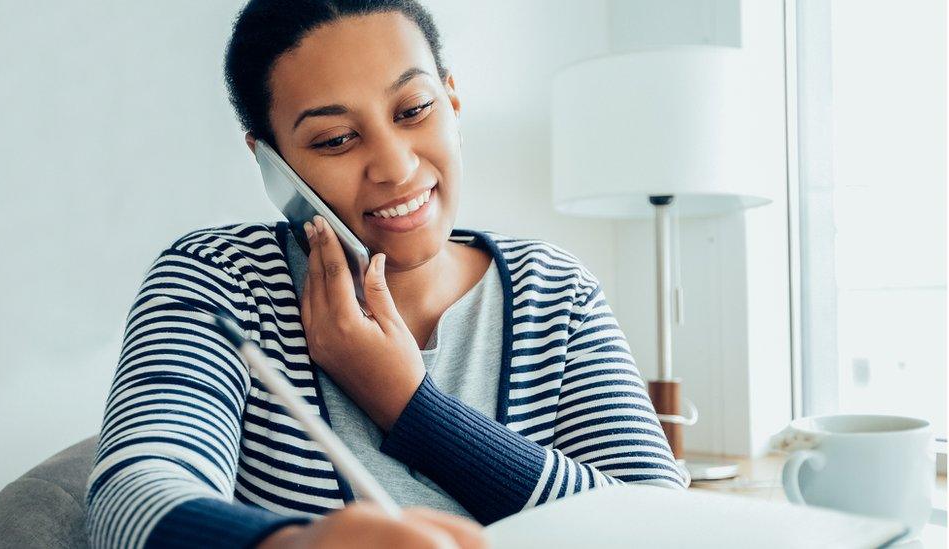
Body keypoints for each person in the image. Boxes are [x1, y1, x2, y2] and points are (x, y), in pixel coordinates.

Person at [84, 0, 691, 547]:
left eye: (414, 109)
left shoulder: (554, 290)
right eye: (336, 139)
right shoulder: (220, 280)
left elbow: (661, 528)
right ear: (270, 163)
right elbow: (130, 502)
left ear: (452, 102)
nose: (397, 168)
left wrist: (412, 408)